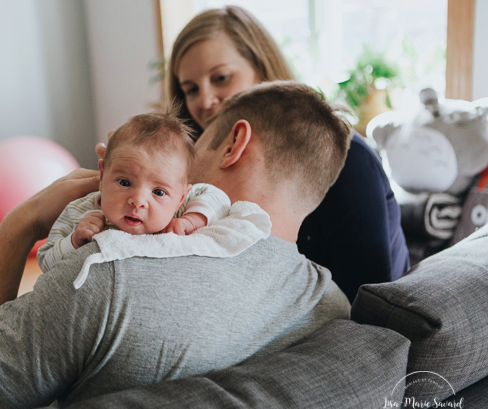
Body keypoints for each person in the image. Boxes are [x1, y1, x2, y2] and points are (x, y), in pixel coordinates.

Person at [0, 81, 352, 409]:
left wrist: (22, 223)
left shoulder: (104, 269)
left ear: (234, 143)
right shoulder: (331, 306)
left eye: (198, 141)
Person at [167, 5, 410, 302]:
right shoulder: (203, 173)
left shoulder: (347, 160)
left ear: (262, 68)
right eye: (190, 89)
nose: (204, 100)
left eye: (221, 78)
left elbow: (367, 299)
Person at [37, 107, 231, 273]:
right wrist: (74, 241)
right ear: (103, 175)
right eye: (124, 182)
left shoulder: (176, 214)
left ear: (180, 198)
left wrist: (190, 221)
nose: (138, 201)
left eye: (159, 192)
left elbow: (220, 199)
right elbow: (46, 262)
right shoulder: (78, 212)